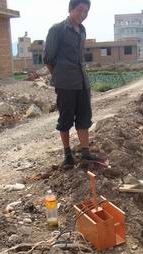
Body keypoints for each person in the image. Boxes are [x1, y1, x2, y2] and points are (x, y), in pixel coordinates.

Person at [43, 0, 98, 168]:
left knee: (84, 117)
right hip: (65, 83)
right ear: (71, 9)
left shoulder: (82, 31)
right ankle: (67, 154)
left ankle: (85, 152)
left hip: (82, 81)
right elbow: (48, 59)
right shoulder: (57, 30)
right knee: (65, 119)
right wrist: (60, 76)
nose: (83, 14)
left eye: (86, 11)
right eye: (80, 10)